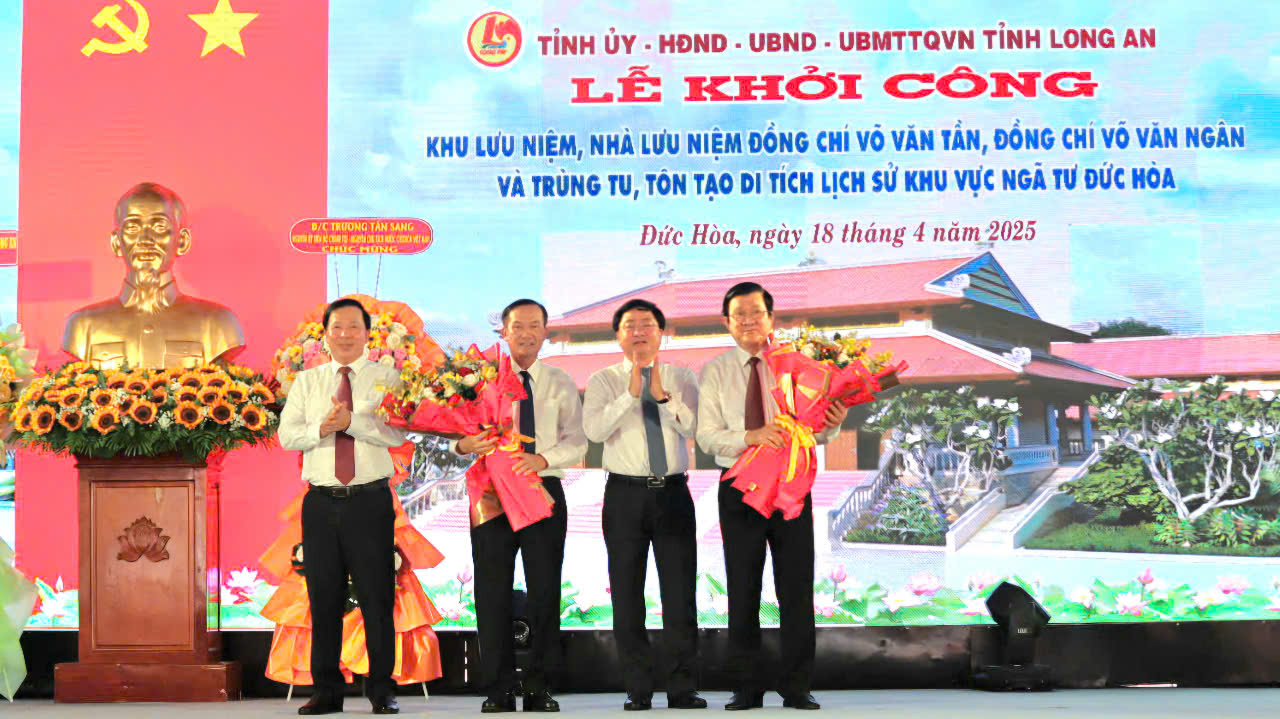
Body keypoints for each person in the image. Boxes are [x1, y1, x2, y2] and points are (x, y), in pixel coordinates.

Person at [695, 282, 848, 711]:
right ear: (726, 322)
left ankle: (797, 685)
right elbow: (707, 436)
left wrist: (835, 421)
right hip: (739, 485)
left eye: (756, 313)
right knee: (743, 587)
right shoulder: (715, 371)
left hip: (791, 483)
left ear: (771, 318)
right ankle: (746, 687)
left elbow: (817, 429)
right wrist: (753, 436)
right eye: (739, 314)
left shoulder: (798, 364)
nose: (748, 321)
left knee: (795, 586)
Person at [453, 299, 587, 713]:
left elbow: (577, 440)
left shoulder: (560, 381)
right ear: (503, 332)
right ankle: (497, 688)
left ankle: (539, 687)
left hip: (542, 489)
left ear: (545, 332)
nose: (526, 333)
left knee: (545, 589)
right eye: (517, 326)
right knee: (490, 590)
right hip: (492, 491)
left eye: (534, 325)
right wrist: (464, 445)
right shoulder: (480, 379)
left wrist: (543, 460)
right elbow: (457, 434)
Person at [278, 298, 407, 715]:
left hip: (370, 501)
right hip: (320, 503)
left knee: (377, 597)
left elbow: (397, 434)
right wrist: (322, 429)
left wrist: (352, 423)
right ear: (325, 334)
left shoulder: (389, 379)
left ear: (368, 334)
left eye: (354, 327)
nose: (345, 335)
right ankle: (327, 691)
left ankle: (381, 689)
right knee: (324, 598)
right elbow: (287, 436)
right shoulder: (307, 382)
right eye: (337, 327)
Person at [582, 299, 705, 711]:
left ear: (660, 332)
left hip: (673, 493)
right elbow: (594, 431)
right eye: (630, 325)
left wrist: (663, 398)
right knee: (627, 595)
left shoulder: (682, 377)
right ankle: (638, 689)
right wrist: (630, 395)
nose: (639, 331)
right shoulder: (603, 380)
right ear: (618, 335)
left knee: (680, 595)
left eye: (647, 324)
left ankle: (682, 688)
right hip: (624, 495)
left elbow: (696, 429)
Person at [62, 182, 244, 370]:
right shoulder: (83, 326)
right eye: (133, 227)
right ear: (116, 242)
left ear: (182, 241)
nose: (145, 240)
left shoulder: (217, 323)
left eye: (159, 226)